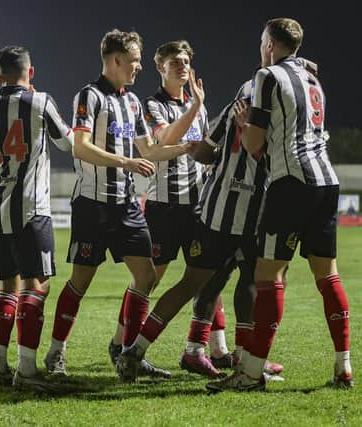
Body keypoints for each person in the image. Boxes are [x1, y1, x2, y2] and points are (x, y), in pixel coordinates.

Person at [208, 18, 352, 392]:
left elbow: (255, 145)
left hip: (291, 184)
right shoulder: (312, 79)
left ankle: (251, 374)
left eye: (261, 42)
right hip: (327, 181)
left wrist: (243, 123)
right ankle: (343, 366)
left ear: (270, 44)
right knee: (328, 277)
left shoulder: (266, 76)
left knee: (267, 277)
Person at [43, 29, 193, 380]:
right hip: (93, 206)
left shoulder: (132, 102)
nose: (139, 66)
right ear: (115, 60)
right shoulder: (90, 96)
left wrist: (187, 148)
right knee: (81, 280)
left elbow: (149, 150)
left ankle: (129, 353)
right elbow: (80, 147)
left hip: (125, 205)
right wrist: (125, 163)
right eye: (135, 60)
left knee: (146, 276)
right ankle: (56, 352)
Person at [105, 39, 232, 379]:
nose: (182, 66)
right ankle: (122, 343)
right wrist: (194, 108)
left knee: (207, 273)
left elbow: (201, 148)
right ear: (160, 67)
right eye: (175, 61)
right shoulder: (150, 106)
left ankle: (215, 349)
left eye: (186, 60)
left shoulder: (198, 105)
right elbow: (164, 141)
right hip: (163, 206)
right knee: (150, 279)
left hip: (196, 205)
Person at [0, 45, 73, 391]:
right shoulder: (40, 102)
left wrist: (0, 180)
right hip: (31, 208)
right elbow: (69, 144)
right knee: (37, 286)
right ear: (32, 71)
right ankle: (26, 371)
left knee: (7, 287)